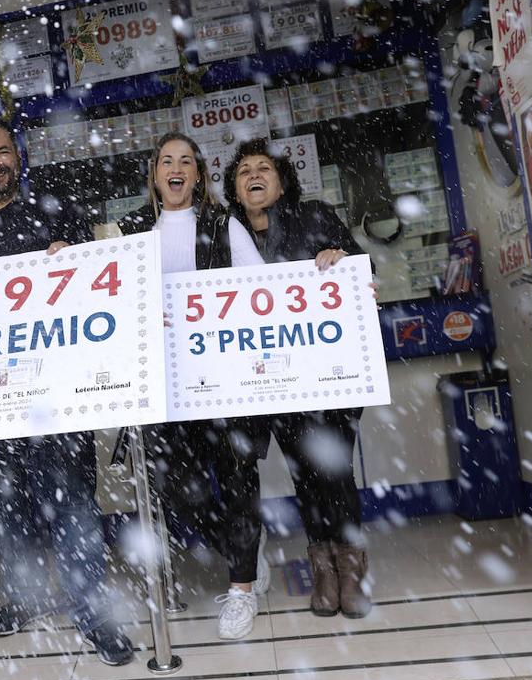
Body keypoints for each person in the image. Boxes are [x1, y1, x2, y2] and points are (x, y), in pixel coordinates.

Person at [0, 116, 134, 666]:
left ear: (17, 156)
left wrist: (79, 259)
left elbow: (99, 288)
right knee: (3, 511)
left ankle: (94, 614)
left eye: (2, 151)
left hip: (58, 396)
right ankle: (25, 598)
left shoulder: (57, 213)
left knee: (75, 510)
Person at [115, 132, 269, 641]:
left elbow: (260, 287)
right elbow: (111, 300)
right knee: (178, 490)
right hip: (165, 383)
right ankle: (240, 548)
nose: (176, 169)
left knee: (239, 477)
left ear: (198, 173)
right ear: (155, 173)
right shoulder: (132, 230)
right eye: (166, 161)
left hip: (225, 379)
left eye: (186, 161)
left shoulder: (225, 224)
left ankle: (242, 589)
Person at [219, 138, 372, 619]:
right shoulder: (226, 235)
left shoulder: (317, 216)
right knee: (305, 475)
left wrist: (339, 256)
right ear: (235, 190)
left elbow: (363, 274)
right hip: (270, 382)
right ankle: (322, 565)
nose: (254, 175)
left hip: (327, 376)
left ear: (282, 181)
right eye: (244, 171)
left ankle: (351, 571)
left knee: (335, 469)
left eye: (264, 168)